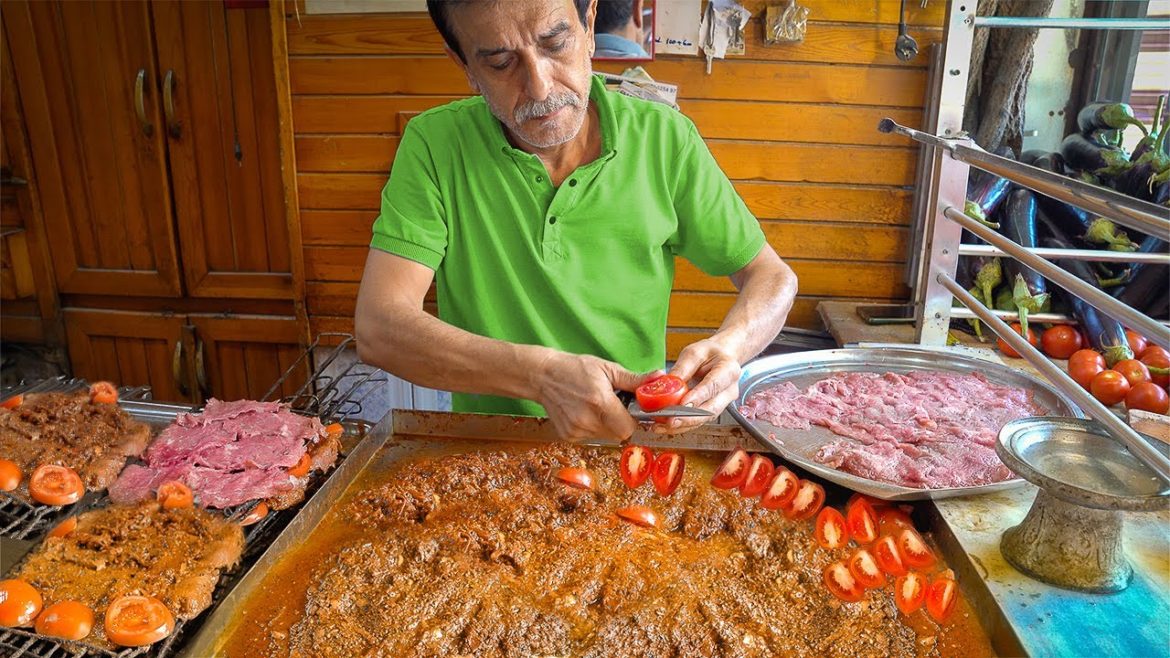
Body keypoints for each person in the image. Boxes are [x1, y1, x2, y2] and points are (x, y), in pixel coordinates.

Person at [355, 0, 797, 441]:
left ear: (588, 26)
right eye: (501, 62)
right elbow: (379, 328)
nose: (541, 87)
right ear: (465, 65)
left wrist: (731, 346)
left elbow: (772, 276)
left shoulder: (665, 140)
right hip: (491, 447)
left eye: (555, 42)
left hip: (631, 436)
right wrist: (540, 375)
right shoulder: (435, 145)